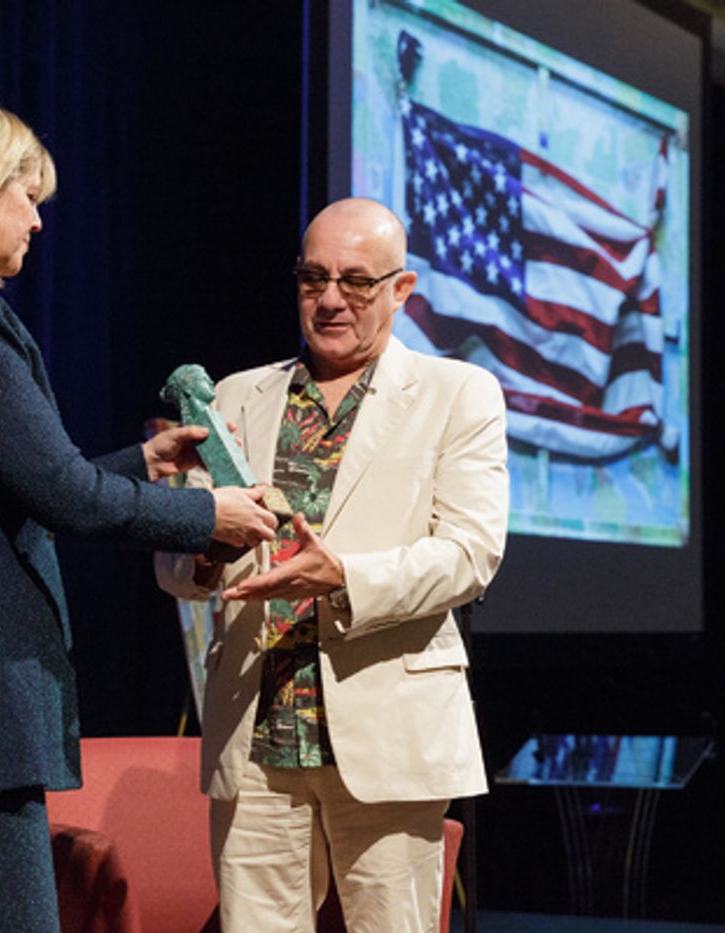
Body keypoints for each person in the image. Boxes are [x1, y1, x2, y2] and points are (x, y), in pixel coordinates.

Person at [0, 95, 276, 932]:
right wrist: (206, 516)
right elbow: (61, 494)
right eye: (25, 195)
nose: (36, 220)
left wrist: (139, 463)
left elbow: (2, 493)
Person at [157, 197, 508, 931]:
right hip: (257, 729)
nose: (330, 299)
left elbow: (470, 553)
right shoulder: (235, 394)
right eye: (313, 278)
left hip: (387, 725)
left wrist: (342, 576)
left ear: (401, 290)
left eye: (356, 281)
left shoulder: (457, 393)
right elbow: (175, 564)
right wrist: (205, 545)